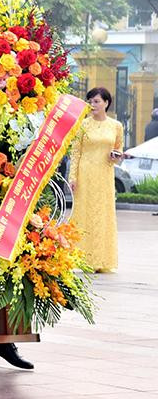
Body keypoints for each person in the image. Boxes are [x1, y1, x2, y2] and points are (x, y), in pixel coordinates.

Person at [68, 87, 124, 273]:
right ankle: (82, 259)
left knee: (103, 214)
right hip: (85, 174)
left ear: (106, 103)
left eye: (97, 101)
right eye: (90, 101)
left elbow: (118, 151)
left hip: (105, 174)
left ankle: (101, 259)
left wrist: (116, 157)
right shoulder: (83, 125)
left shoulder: (116, 126)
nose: (93, 105)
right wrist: (73, 176)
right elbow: (75, 152)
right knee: (83, 213)